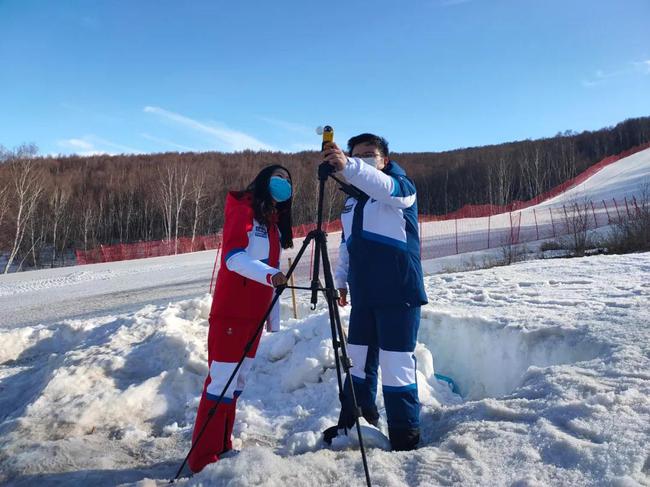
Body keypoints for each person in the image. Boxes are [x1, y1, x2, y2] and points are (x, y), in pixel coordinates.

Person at [322, 133, 427, 451]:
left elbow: (387, 189)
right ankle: (355, 421)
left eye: (370, 154)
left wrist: (350, 165)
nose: (364, 159)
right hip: (364, 295)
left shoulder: (399, 185)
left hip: (399, 291)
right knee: (356, 361)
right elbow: (347, 245)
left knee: (396, 365)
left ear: (384, 160)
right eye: (357, 154)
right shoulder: (352, 202)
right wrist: (341, 280)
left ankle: (404, 433)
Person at [188, 165, 293, 473]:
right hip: (232, 312)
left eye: (288, 181)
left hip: (254, 316)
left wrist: (271, 316)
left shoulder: (271, 222)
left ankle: (221, 447)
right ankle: (202, 458)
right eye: (278, 178)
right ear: (263, 180)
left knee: (236, 382)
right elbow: (234, 258)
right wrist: (271, 275)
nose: (283, 184)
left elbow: (270, 268)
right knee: (221, 380)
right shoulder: (243, 207)